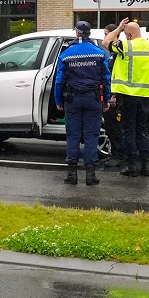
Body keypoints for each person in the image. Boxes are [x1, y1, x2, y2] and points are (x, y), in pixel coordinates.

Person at [53, 21, 111, 186]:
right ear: (89, 34)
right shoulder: (99, 53)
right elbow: (105, 78)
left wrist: (58, 100)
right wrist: (106, 99)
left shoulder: (66, 54)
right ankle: (90, 176)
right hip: (93, 99)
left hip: (73, 100)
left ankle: (72, 175)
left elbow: (59, 81)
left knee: (73, 136)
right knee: (91, 136)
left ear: (77, 33)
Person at [107, 18, 149, 177]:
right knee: (143, 130)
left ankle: (131, 166)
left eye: (125, 34)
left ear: (129, 35)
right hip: (146, 96)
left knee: (128, 130)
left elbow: (106, 42)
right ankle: (146, 166)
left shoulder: (125, 45)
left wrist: (118, 28)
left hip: (128, 96)